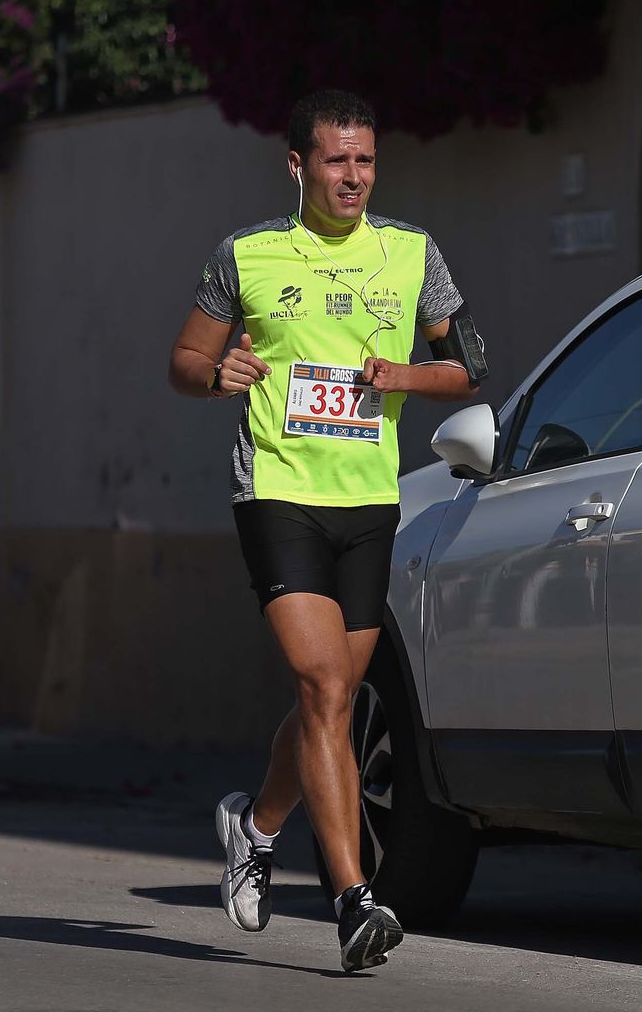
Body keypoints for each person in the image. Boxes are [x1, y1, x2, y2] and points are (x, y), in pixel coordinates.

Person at [167, 89, 480, 971]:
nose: (354, 177)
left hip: (368, 499)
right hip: (278, 491)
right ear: (298, 162)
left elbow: (469, 366)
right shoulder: (249, 254)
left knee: (331, 699)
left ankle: (255, 825)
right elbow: (183, 360)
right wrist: (217, 369)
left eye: (367, 161)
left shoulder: (412, 253)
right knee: (320, 683)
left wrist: (406, 376)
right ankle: (353, 899)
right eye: (338, 161)